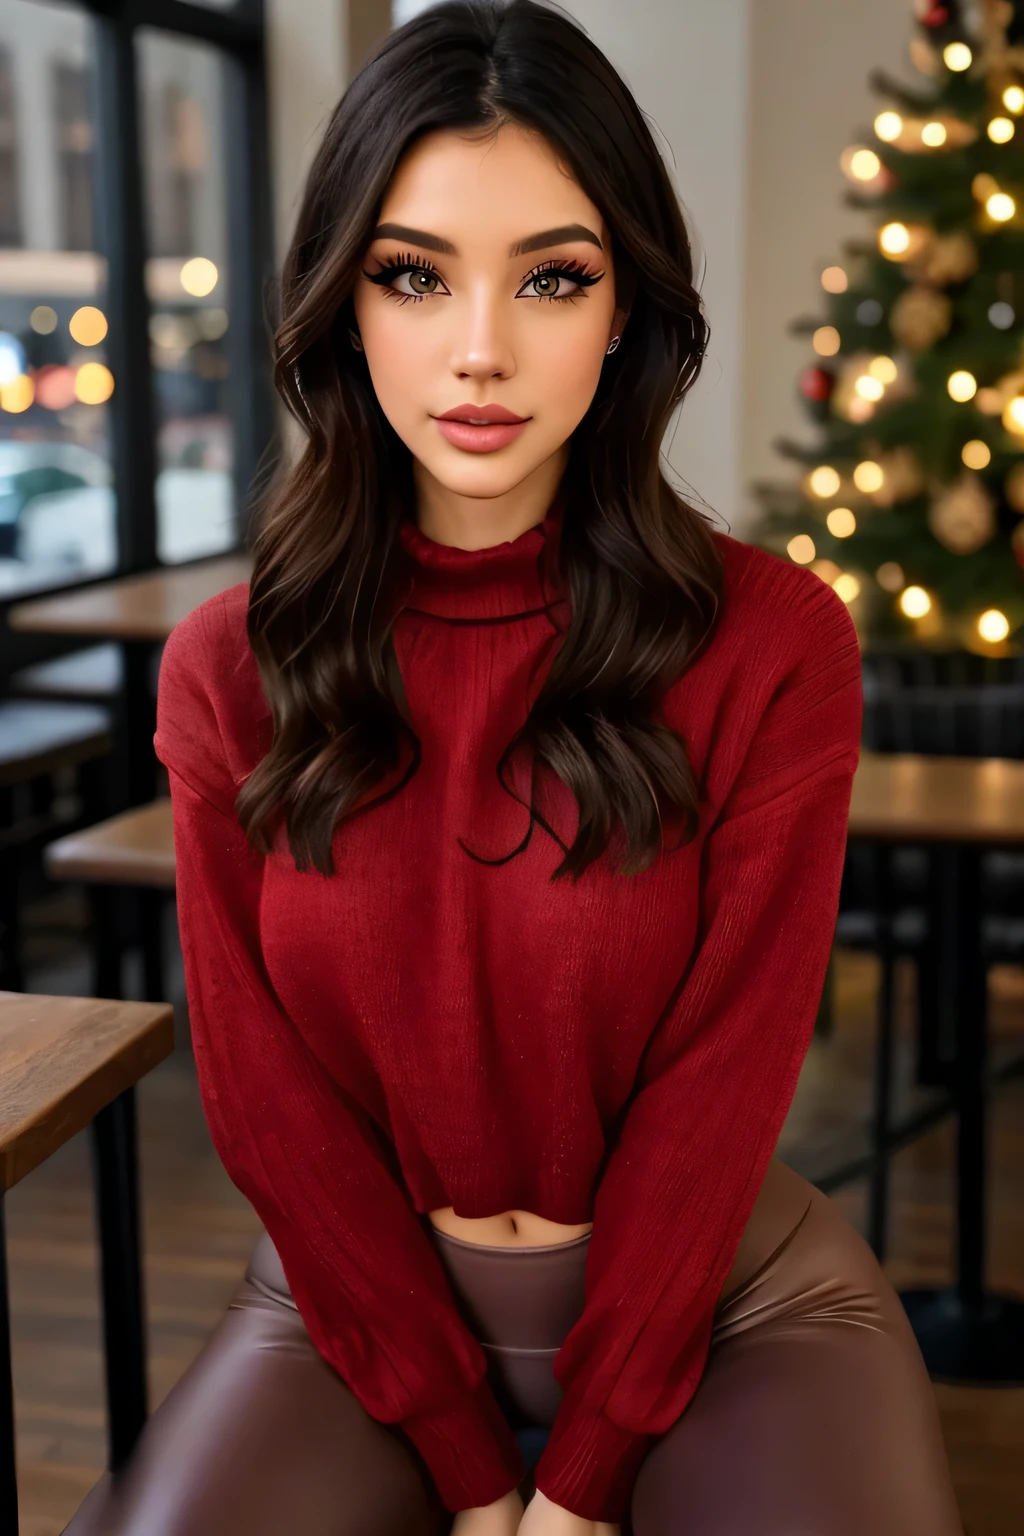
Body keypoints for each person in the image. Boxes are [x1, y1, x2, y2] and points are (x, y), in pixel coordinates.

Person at [66, 3, 965, 1533]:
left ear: (626, 312)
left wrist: (584, 1472)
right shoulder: (229, 665)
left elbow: (724, 1082)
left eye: (553, 277)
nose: (481, 348)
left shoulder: (774, 642)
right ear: (344, 303)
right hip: (354, 1318)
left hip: (727, 1305)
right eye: (414, 275)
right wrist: (473, 1470)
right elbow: (271, 1107)